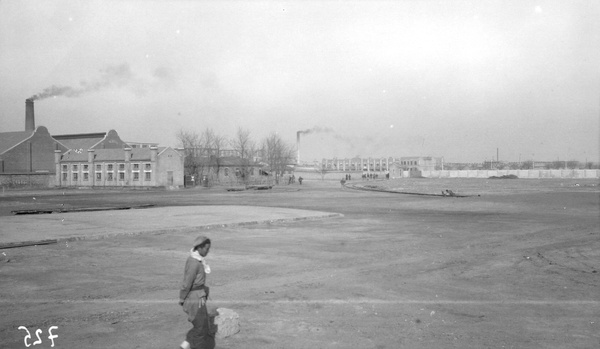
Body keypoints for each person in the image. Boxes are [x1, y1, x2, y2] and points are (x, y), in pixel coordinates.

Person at [179, 236, 214, 349]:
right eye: (206, 249)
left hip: (198, 296)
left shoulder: (196, 260)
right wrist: (182, 298)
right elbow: (187, 283)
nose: (207, 251)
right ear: (199, 247)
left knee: (201, 326)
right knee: (201, 329)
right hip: (195, 298)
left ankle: (184, 346)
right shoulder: (194, 263)